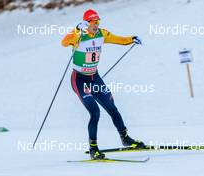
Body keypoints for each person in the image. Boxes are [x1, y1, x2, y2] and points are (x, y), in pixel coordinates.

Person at [61, 9, 144, 159]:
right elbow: (64, 42)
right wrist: (76, 29)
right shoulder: (79, 36)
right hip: (79, 80)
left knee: (112, 107)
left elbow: (121, 40)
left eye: (98, 22)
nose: (96, 25)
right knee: (95, 112)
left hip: (95, 78)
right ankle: (93, 149)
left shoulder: (102, 34)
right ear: (86, 23)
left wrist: (132, 38)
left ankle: (125, 138)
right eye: (93, 23)